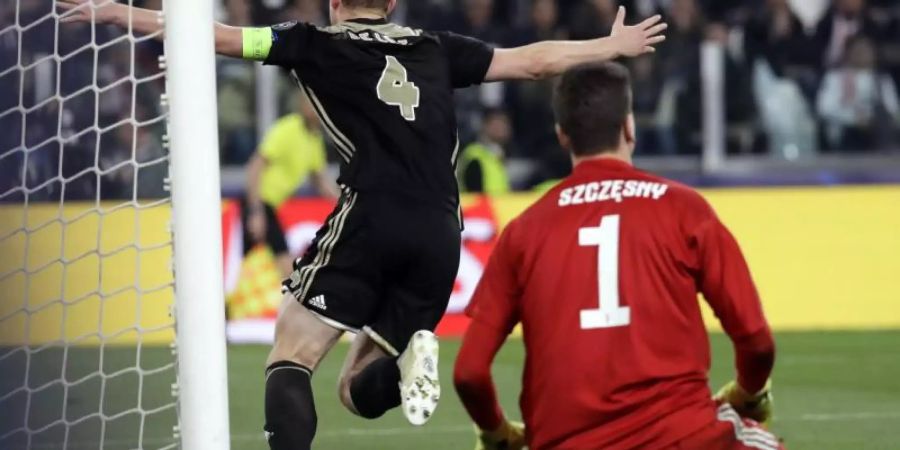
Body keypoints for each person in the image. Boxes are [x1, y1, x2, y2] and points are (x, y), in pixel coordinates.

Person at [57, 1, 666, 449]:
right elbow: (534, 63)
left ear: (335, 5)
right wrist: (608, 47)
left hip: (375, 211)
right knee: (358, 389)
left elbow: (209, 37)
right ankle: (404, 367)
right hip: (440, 230)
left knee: (292, 353)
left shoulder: (313, 43)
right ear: (392, 5)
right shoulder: (435, 46)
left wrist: (120, 13)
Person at [454, 62, 783, 450]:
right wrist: (748, 391)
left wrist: (497, 433)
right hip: (681, 436)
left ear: (563, 136)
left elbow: (469, 373)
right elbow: (757, 341)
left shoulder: (524, 231)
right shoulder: (683, 209)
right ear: (630, 127)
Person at [243, 92, 339, 277]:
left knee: (240, 261)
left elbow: (319, 180)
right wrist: (256, 211)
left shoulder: (314, 138)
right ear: (302, 105)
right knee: (286, 266)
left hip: (269, 207)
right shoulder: (288, 128)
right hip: (259, 203)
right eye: (313, 105)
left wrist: (345, 203)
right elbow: (255, 166)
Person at [457, 109, 512, 196]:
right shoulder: (475, 156)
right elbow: (474, 195)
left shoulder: (497, 156)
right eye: (496, 124)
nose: (501, 128)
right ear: (484, 126)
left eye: (504, 123)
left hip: (496, 208)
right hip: (479, 208)